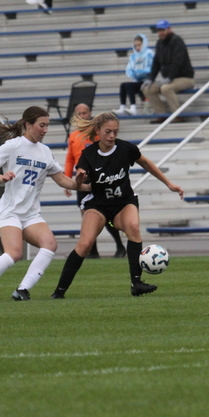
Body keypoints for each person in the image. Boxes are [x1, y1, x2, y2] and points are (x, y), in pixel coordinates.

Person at [0, 106, 90, 304]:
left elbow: (65, 182)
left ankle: (22, 290)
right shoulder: (13, 146)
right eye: (42, 125)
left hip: (30, 214)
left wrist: (83, 183)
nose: (45, 129)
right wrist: (1, 177)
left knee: (49, 244)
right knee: (14, 253)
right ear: (28, 125)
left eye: (47, 125)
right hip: (9, 211)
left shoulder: (45, 152)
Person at [50, 112, 184, 299]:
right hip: (98, 205)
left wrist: (168, 183)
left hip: (123, 202)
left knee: (133, 227)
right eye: (108, 132)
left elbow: (145, 162)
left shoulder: (125, 148)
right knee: (85, 244)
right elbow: (80, 176)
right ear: (97, 131)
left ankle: (136, 283)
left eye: (115, 131)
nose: (112, 136)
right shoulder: (89, 154)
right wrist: (79, 179)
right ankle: (59, 291)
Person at [65, 103, 127, 259]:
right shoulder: (73, 136)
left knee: (104, 215)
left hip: (99, 177)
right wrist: (68, 180)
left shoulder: (97, 134)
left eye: (84, 113)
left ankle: (120, 246)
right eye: (79, 113)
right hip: (82, 179)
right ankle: (92, 251)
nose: (82, 116)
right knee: (86, 215)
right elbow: (70, 158)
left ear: (89, 114)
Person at [143, 20, 195, 124]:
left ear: (169, 29)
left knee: (165, 88)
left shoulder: (177, 41)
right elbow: (156, 63)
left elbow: (177, 62)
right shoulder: (159, 43)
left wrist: (169, 78)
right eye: (159, 30)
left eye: (163, 30)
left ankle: (177, 116)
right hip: (169, 79)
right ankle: (162, 115)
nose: (161, 33)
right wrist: (150, 79)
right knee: (147, 89)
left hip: (185, 78)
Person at [113, 34, 154, 117]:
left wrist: (142, 71)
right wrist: (133, 74)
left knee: (128, 85)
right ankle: (122, 107)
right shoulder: (133, 56)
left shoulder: (149, 53)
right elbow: (129, 69)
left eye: (139, 45)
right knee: (123, 85)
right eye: (135, 46)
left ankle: (133, 108)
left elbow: (154, 67)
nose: (137, 47)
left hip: (148, 81)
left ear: (144, 44)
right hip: (138, 81)